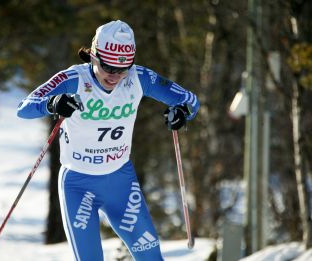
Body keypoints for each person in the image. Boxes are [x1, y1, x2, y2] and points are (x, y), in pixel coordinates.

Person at [17, 20, 199, 261]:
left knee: (151, 257)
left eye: (122, 69)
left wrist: (182, 113)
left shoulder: (139, 78)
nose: (115, 76)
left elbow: (189, 100)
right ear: (93, 57)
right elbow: (24, 108)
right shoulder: (73, 79)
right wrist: (51, 103)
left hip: (121, 182)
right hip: (78, 185)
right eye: (108, 68)